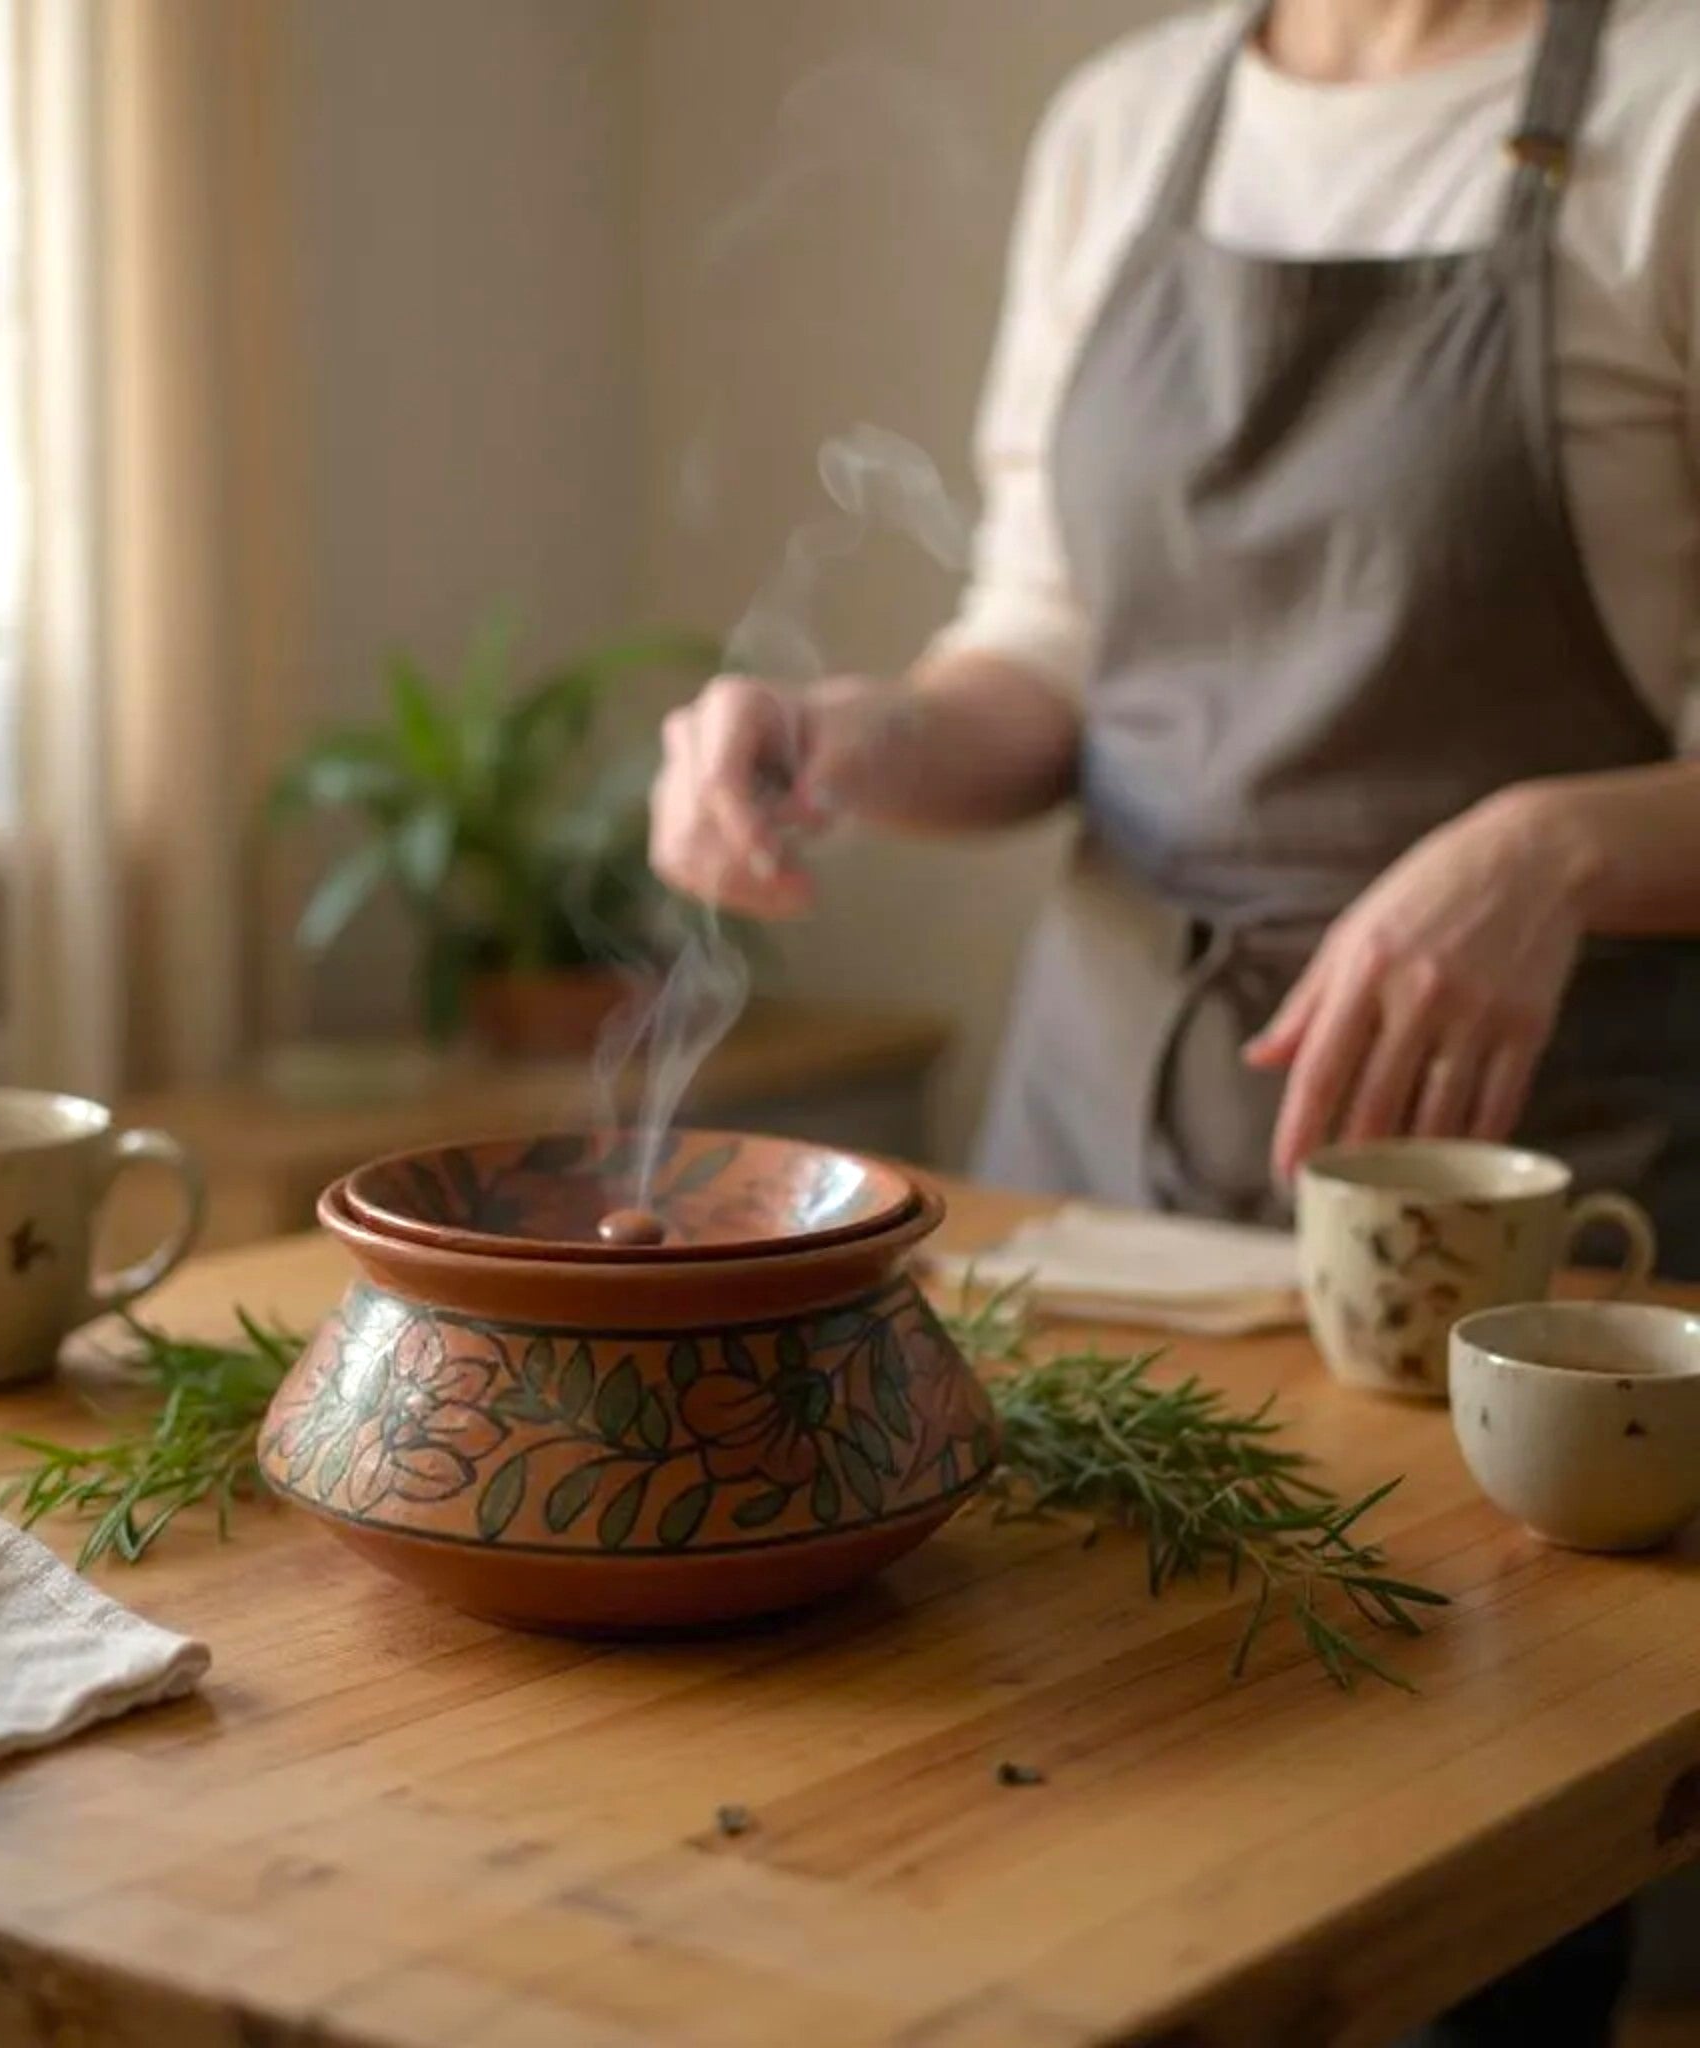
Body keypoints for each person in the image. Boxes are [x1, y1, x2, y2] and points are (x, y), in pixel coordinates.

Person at [650, 2, 1700, 2040]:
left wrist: (1552, 848)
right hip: (1094, 1175)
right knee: (1056, 1846)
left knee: (1455, 1907)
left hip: (1519, 1220)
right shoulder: (1124, 123)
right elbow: (1044, 654)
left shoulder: (1673, 110)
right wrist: (845, 737)